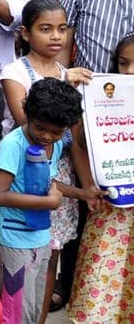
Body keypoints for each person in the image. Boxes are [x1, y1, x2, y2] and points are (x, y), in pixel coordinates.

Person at [0, 78, 94, 323]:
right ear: (28, 113)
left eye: (56, 132)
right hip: (14, 238)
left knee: (34, 306)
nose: (47, 136)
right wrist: (49, 203)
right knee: (16, 311)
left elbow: (49, 182)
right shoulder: (14, 145)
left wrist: (83, 193)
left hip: (39, 235)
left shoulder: (55, 145)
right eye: (40, 128)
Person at [68, 34, 134, 322]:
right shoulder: (101, 97)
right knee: (102, 274)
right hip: (111, 203)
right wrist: (88, 185)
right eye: (123, 63)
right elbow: (79, 142)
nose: (129, 71)